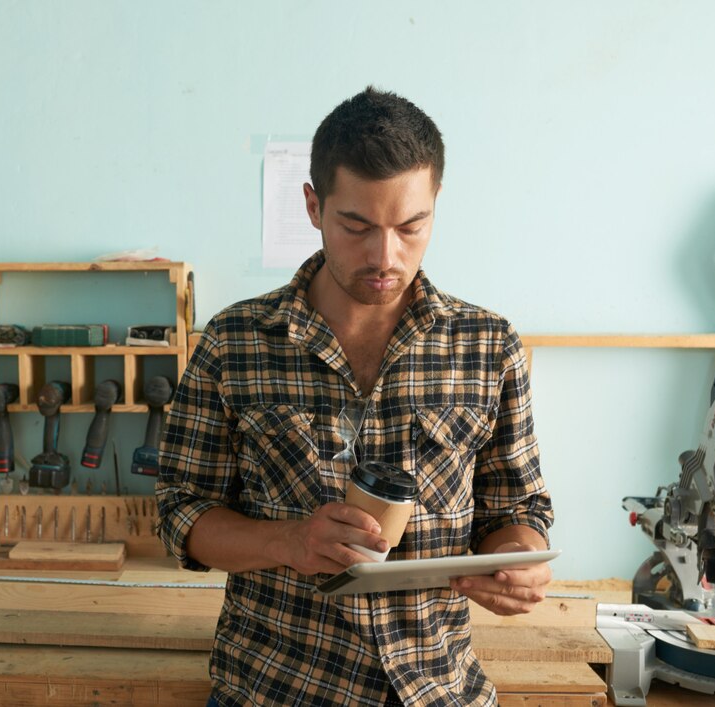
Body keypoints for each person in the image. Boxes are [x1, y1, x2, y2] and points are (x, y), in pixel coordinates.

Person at [155, 87, 554, 707]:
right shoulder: (234, 342)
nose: (384, 257)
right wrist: (287, 542)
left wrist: (519, 559)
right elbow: (181, 513)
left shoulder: (488, 345)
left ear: (436, 204)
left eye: (411, 226)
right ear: (313, 206)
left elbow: (515, 511)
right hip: (276, 688)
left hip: (438, 689)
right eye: (356, 226)